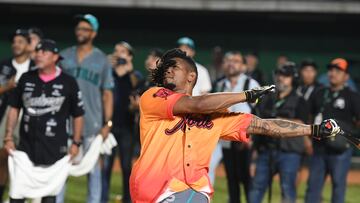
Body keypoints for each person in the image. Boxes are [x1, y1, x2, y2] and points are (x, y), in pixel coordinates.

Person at [129, 48, 342, 203]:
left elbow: (264, 126)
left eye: (174, 67)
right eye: (166, 66)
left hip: (190, 188)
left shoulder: (217, 116)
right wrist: (247, 95)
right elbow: (198, 103)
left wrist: (312, 129)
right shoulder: (154, 96)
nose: (168, 70)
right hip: (150, 186)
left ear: (191, 76)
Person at [3, 39, 85, 203]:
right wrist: (8, 136)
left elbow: (78, 114)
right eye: (38, 51)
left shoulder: (68, 82)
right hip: (26, 146)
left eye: (44, 52)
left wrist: (76, 142)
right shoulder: (26, 78)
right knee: (17, 195)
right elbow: (14, 108)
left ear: (55, 57)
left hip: (54, 148)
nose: (39, 55)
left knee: (49, 197)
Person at [58, 14, 114, 203]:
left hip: (93, 123)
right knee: (60, 170)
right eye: (78, 28)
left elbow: (107, 94)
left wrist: (108, 122)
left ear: (94, 33)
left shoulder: (102, 60)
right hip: (65, 122)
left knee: (94, 172)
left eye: (85, 29)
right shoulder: (64, 55)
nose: (80, 32)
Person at [249, 62, 309, 203]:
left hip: (289, 152)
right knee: (256, 189)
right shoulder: (266, 98)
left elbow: (302, 125)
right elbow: (254, 121)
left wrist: (276, 121)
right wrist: (254, 154)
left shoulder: (300, 101)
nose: (281, 78)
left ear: (293, 79)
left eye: (286, 76)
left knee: (287, 189)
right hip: (265, 149)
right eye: (279, 75)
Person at [305, 58, 360, 203]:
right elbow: (309, 116)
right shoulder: (319, 93)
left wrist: (348, 136)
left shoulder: (352, 96)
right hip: (319, 148)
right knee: (313, 188)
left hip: (340, 151)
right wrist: (307, 140)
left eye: (338, 71)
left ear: (346, 76)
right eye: (330, 70)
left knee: (338, 188)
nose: (333, 73)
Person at [213, 51, 259, 203]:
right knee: (231, 178)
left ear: (244, 66)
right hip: (226, 139)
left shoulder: (251, 84)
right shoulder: (219, 84)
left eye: (236, 61)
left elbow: (260, 112)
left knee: (247, 179)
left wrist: (253, 137)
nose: (232, 63)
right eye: (229, 60)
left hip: (245, 138)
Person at [101, 41, 141, 203]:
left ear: (130, 56)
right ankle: (101, 199)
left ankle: (128, 200)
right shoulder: (108, 72)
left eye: (123, 51)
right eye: (116, 51)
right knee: (106, 167)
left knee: (126, 167)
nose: (118, 54)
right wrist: (104, 63)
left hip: (127, 127)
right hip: (108, 126)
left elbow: (136, 85)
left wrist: (128, 68)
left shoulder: (135, 75)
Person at [0, 29, 35, 201]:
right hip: (5, 115)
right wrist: (6, 87)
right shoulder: (4, 65)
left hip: (29, 117)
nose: (16, 44)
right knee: (3, 158)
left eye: (20, 41)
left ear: (29, 45)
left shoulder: (35, 67)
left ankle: (20, 197)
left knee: (25, 160)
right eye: (14, 41)